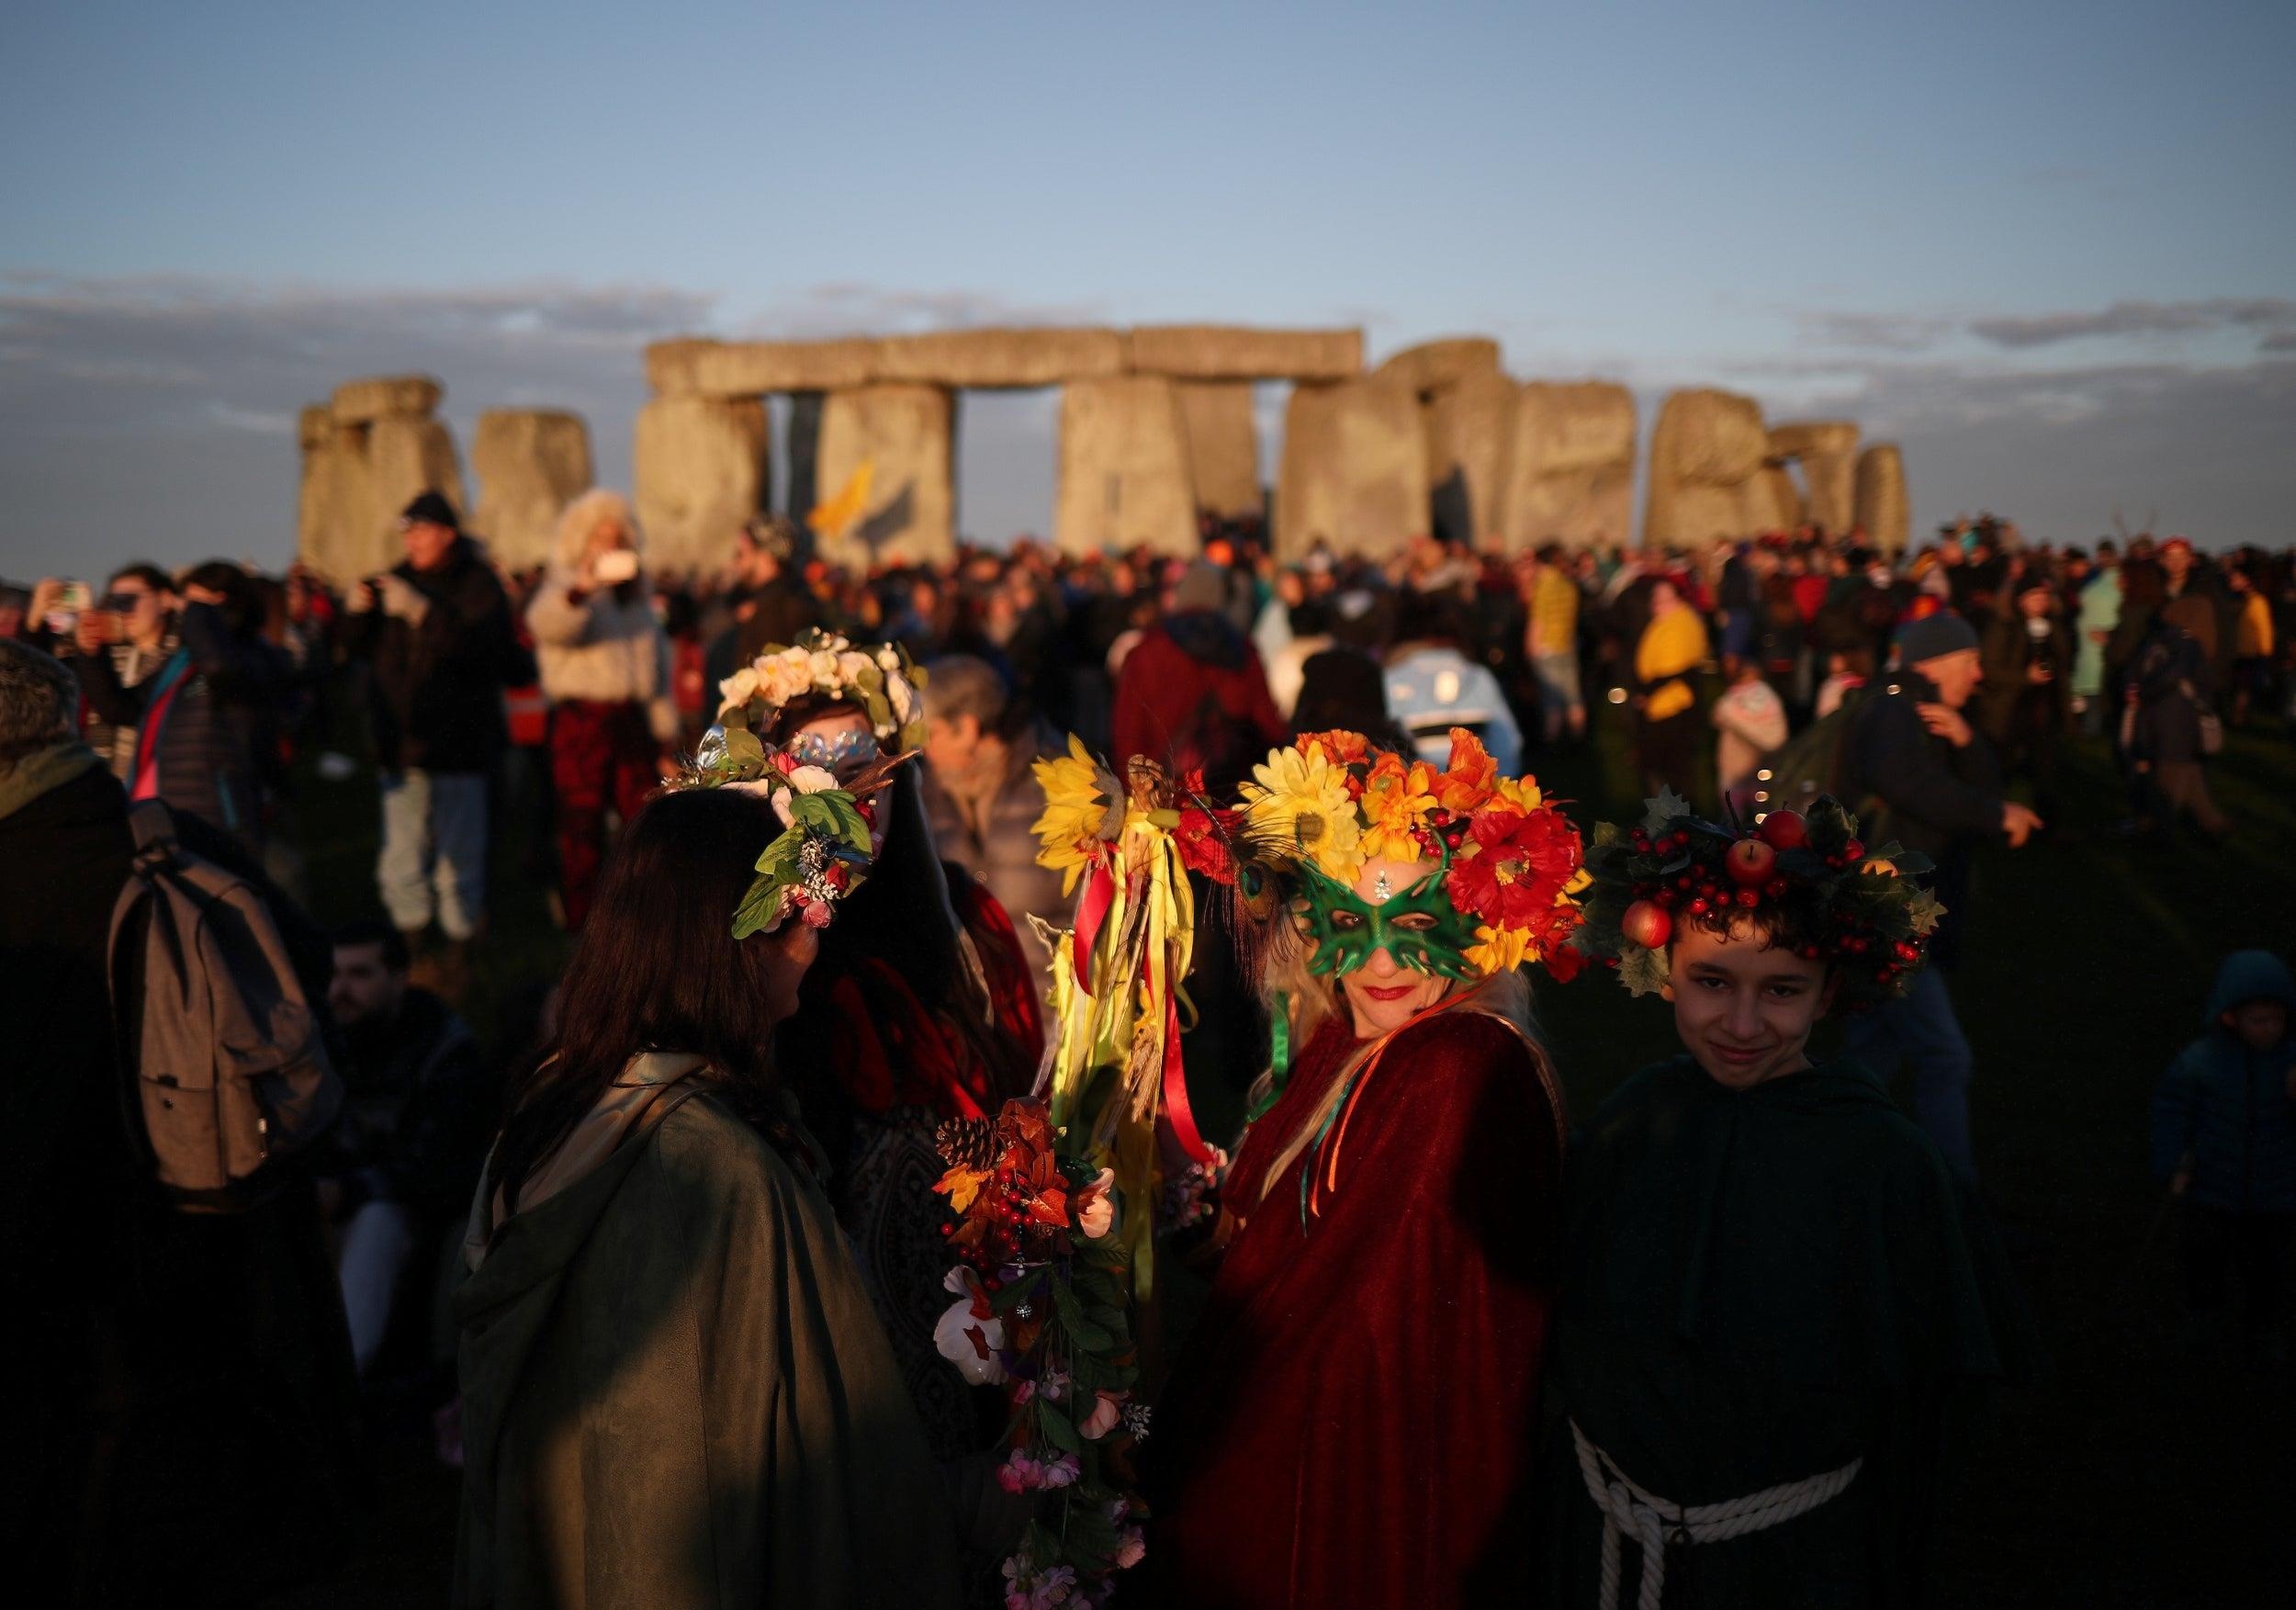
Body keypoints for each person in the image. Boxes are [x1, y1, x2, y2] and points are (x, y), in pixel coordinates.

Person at [455, 782, 960, 1609]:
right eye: (796, 916)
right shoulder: (709, 1168)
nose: (813, 940)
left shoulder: (558, 1106)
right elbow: (683, 1479)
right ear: (736, 941)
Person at [1545, 794, 2013, 1608]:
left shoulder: (1879, 1160)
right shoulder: (1633, 1120)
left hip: (1794, 1558)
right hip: (1619, 1546)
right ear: (1665, 973)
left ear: (1829, 992)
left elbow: (1939, 1395)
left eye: (1783, 990)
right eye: (1712, 981)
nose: (1742, 1022)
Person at [1152, 728, 1581, 1608]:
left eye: (1418, 925)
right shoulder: (1342, 1042)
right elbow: (1270, 1258)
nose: (1382, 962)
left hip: (1342, 1498)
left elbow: (1357, 1335)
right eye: (1353, 924)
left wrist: (1200, 1466)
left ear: (1482, 932)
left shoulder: (1457, 1065)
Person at [0, 639, 358, 1604]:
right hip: (227, 1216)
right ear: (70, 723)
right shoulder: (173, 834)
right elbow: (311, 969)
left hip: (63, 1281)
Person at [727, 630, 1042, 1461]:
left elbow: (1016, 1077)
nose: (854, 792)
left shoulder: (965, 923)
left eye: (868, 763)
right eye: (819, 766)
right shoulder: (743, 946)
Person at [1839, 611, 2042, 1184]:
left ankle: (1831, 1159)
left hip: (1897, 905)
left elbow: (1965, 786)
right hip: (1891, 910)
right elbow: (1911, 787)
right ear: (1938, 659)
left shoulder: (1923, 712)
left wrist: (1969, 740)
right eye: (1971, 661)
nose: (1978, 675)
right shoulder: (1893, 710)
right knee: (1944, 1056)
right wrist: (1995, 813)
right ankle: (1955, 1190)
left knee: (1871, 1054)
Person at [341, 490, 523, 970]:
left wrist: (423, 614)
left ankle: (463, 941)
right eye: (408, 531)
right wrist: (357, 614)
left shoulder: (477, 584)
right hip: (400, 742)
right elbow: (352, 652)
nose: (412, 540)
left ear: (447, 533)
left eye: (421, 530)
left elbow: (491, 653)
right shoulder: (393, 582)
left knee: (457, 854)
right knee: (402, 851)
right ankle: (413, 940)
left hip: (461, 741)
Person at [319, 918, 491, 1379]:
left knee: (377, 1220)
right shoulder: (323, 1043)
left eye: (359, 974)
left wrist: (349, 1189)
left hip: (416, 1213)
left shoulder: (445, 1050)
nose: (340, 990)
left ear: (398, 978)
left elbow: (437, 1165)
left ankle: (344, 1373)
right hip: (340, 1200)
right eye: (332, 975)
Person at [525, 489, 677, 929]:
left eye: (618, 538)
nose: (611, 546)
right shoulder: (566, 586)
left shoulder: (637, 600)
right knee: (580, 825)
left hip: (631, 721)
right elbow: (547, 625)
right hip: (580, 720)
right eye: (601, 538)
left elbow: (657, 674)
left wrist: (665, 736)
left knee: (644, 818)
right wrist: (582, 590)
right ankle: (583, 923)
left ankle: (640, 915)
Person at [65, 559, 290, 855]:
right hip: (175, 811)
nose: (185, 613)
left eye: (194, 604)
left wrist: (197, 610)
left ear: (224, 602)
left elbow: (219, 668)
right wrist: (91, 654)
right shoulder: (181, 666)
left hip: (225, 815)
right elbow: (122, 709)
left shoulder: (257, 656)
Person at [2150, 950, 2296, 1363]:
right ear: (2231, 1017)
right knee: (2203, 1258)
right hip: (2211, 1188)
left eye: (2277, 1019)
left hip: (2275, 1193)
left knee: (2267, 1266)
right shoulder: (2201, 1063)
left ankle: (2263, 1329)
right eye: (2258, 1020)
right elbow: (2171, 1112)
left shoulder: (2289, 1064)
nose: (2269, 1029)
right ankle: (2201, 1319)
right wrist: (2172, 1161)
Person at [917, 652, 1068, 978]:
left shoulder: (1057, 783)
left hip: (1053, 1003)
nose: (924, 749)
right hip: (977, 1012)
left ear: (967, 730)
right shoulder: (928, 793)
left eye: (933, 733)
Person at [1109, 560, 1286, 792]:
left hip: (1161, 795)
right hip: (1231, 793)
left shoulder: (1147, 651)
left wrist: (1133, 795)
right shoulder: (1242, 649)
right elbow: (1268, 725)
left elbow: (1128, 732)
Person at [45, 561, 178, 778]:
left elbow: (118, 708)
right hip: (114, 776)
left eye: (128, 601)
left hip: (159, 780)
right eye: (113, 602)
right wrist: (33, 626)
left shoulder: (179, 658)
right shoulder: (113, 655)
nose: (121, 611)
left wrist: (93, 656)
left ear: (164, 600)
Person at [1384, 590, 1524, 774]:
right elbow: (1508, 745)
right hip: (1476, 793)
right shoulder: (1480, 676)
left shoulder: (1390, 679)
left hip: (1412, 796)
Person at [1976, 578, 2073, 825]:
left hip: (2044, 710)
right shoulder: (2004, 627)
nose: (2040, 601)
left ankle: (2047, 824)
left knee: (2046, 769)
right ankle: (1995, 820)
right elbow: (1990, 669)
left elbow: (2063, 666)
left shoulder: (2054, 627)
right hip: (2010, 711)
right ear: (2020, 600)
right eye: (2034, 595)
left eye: (2043, 595)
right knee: (2002, 770)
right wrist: (2025, 678)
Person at [1631, 578, 1709, 802]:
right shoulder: (1668, 621)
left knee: (1673, 768)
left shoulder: (1680, 625)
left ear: (1678, 599)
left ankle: (1676, 816)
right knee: (1669, 766)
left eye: (1665, 598)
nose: (1658, 603)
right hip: (1664, 704)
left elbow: (1672, 669)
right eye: (1655, 597)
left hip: (1673, 707)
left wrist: (1645, 693)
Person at [1710, 653, 1788, 815]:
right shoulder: (1770, 697)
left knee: (1735, 810)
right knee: (1763, 807)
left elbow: (1717, 715)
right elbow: (1777, 734)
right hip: (1761, 764)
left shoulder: (1730, 701)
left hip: (1737, 767)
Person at [1526, 543, 1587, 744]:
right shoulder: (1569, 585)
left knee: (1551, 699)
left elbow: (1538, 620)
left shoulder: (1543, 585)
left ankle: (1552, 741)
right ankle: (1578, 738)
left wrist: (1531, 646)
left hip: (1547, 647)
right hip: (1567, 644)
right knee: (1573, 696)